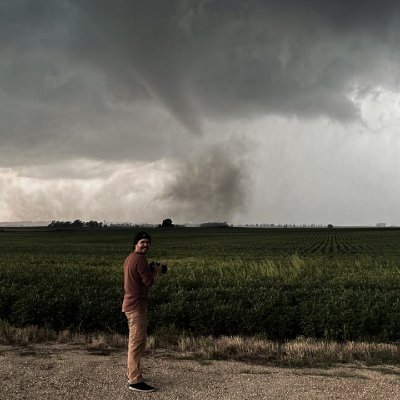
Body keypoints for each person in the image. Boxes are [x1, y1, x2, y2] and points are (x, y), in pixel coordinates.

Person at [122, 231, 162, 392]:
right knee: (136, 344)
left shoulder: (130, 258)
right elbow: (149, 282)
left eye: (147, 242)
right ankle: (135, 381)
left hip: (130, 304)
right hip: (136, 306)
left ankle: (134, 374)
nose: (145, 245)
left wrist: (149, 268)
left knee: (135, 342)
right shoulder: (140, 260)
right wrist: (156, 271)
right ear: (135, 244)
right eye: (142, 242)